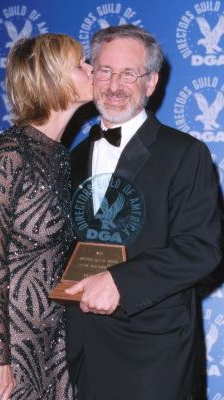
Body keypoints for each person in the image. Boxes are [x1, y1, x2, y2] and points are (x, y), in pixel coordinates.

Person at [65, 25, 221, 400]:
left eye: (128, 74)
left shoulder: (185, 153)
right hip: (81, 352)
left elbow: (201, 249)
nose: (114, 85)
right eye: (105, 70)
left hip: (152, 358)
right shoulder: (74, 157)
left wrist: (121, 281)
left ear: (150, 83)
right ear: (91, 74)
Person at [0, 33, 93, 400]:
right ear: (53, 80)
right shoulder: (10, 151)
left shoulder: (61, 156)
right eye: (80, 65)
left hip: (51, 325)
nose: (92, 69)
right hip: (7, 329)